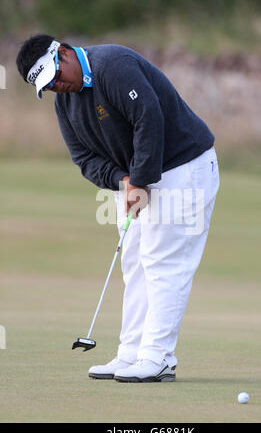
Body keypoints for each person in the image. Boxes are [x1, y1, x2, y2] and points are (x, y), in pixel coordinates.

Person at [16, 34, 220, 383]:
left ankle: (158, 358)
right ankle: (131, 354)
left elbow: (148, 117)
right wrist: (123, 180)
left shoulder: (113, 65)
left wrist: (139, 179)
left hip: (184, 168)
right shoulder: (64, 104)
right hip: (139, 176)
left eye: (56, 76)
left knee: (162, 263)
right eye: (48, 86)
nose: (57, 87)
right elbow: (83, 158)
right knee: (136, 263)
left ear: (63, 53)